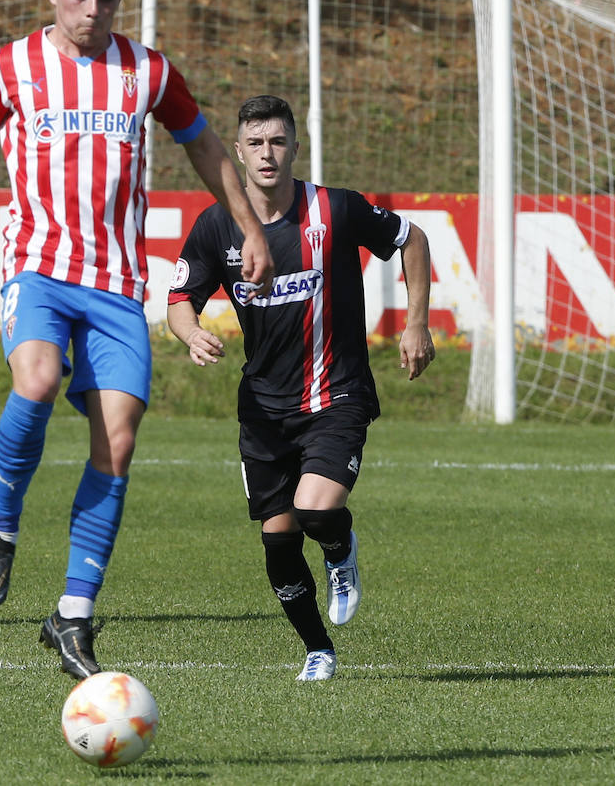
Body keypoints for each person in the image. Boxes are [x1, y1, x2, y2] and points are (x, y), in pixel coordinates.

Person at [0, 0, 273, 679]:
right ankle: (0, 532)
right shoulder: (9, 67)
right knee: (33, 380)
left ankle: (72, 617)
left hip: (116, 287)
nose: (92, 10)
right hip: (37, 271)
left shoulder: (147, 72)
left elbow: (202, 143)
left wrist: (249, 227)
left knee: (118, 444)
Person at [167, 95, 435, 681]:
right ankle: (318, 648)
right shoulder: (216, 226)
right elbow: (178, 299)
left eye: (278, 141)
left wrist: (416, 321)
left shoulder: (335, 210)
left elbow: (412, 240)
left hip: (337, 392)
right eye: (255, 143)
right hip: (263, 408)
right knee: (279, 538)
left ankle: (340, 552)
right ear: (237, 152)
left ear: (295, 146)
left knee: (316, 509)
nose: (268, 154)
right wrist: (190, 335)